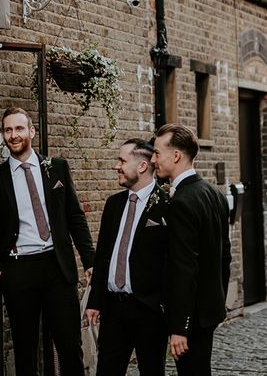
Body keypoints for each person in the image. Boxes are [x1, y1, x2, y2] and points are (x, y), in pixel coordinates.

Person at [0, 107, 95, 376]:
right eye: (8, 130)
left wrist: (90, 261)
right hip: (18, 270)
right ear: (3, 136)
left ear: (31, 131)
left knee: (69, 345)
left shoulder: (57, 168)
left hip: (57, 266)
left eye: (19, 128)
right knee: (25, 349)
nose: (13, 135)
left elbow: (75, 217)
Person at [152, 123, 231, 375]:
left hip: (191, 316)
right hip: (207, 310)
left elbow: (184, 267)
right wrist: (216, 302)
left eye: (156, 153)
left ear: (175, 156)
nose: (153, 159)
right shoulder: (214, 193)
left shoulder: (181, 202)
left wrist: (179, 327)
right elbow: (224, 257)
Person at [86, 138, 169, 376]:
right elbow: (103, 256)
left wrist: (161, 305)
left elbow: (171, 261)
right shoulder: (114, 204)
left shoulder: (166, 205)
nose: (117, 166)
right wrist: (95, 301)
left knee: (152, 370)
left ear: (142, 166)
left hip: (149, 311)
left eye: (122, 161)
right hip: (113, 309)